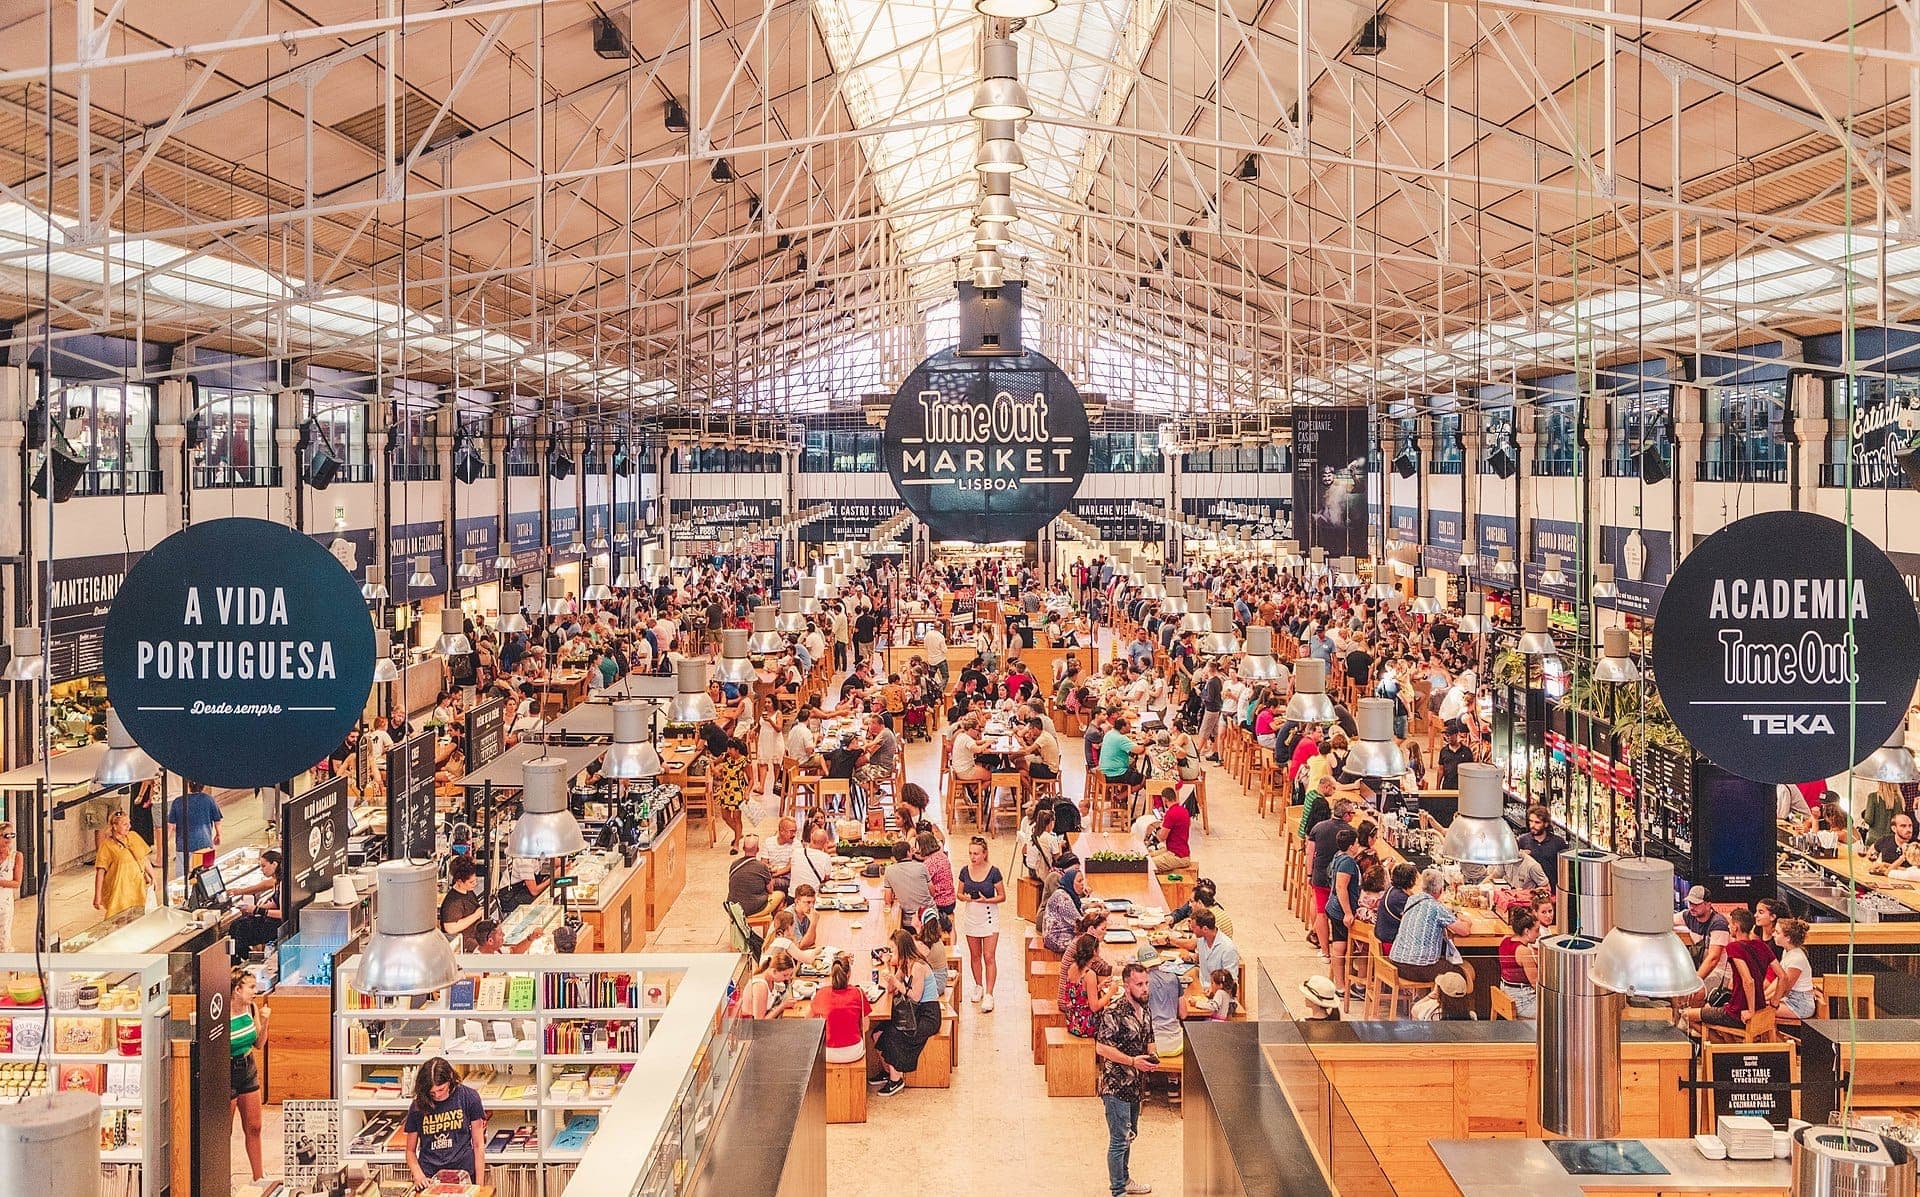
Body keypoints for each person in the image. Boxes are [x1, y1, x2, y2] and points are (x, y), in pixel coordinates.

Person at [1092, 964, 1158, 1197]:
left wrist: (1151, 1055)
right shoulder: (1114, 1013)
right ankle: (1117, 1190)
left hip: (1135, 1086)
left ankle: (1125, 1179)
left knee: (1130, 1135)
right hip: (1116, 1086)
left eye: (1146, 983)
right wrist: (1132, 1061)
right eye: (1139, 984)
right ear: (1127, 985)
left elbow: (1149, 1035)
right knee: (1119, 1140)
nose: (1145, 988)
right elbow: (1101, 1047)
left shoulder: (1144, 1008)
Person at [873, 929, 940, 1096]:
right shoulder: (904, 963)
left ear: (902, 948)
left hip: (927, 1014)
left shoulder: (917, 966)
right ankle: (889, 1072)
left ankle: (897, 1080)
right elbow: (890, 989)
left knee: (892, 1035)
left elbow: (916, 997)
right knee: (877, 1032)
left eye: (893, 949)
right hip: (913, 1012)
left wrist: (896, 981)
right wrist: (888, 965)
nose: (891, 952)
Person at [403, 1056, 488, 1188]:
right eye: (432, 1093)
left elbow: (478, 1145)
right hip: (430, 1176)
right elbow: (410, 1151)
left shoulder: (469, 1097)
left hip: (463, 1172)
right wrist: (419, 1176)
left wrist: (480, 1186)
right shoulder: (418, 1106)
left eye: (441, 1089)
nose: (437, 1095)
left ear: (450, 1078)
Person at [1688, 907, 1775, 1031]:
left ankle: (1718, 1049)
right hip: (1760, 1007)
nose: (1728, 928)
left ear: (1736, 927)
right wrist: (1774, 1003)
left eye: (1730, 925)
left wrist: (1751, 1011)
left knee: (1687, 1015)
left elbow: (1748, 981)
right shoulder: (1762, 945)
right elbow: (1783, 976)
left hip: (1735, 1012)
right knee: (1712, 1014)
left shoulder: (1734, 947)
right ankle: (1724, 1044)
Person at [1386, 868, 1469, 985]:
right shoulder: (1436, 907)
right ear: (1440, 890)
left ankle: (1425, 997)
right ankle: (1439, 1002)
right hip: (1417, 968)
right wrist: (1467, 920)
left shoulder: (1411, 900)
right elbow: (1464, 931)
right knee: (1459, 974)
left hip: (1396, 962)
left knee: (1442, 963)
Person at [228, 970, 269, 1182]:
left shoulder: (251, 1008)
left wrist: (264, 1021)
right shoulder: (221, 1014)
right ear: (237, 989)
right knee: (223, 1131)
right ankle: (220, 1178)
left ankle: (259, 1177)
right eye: (251, 987)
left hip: (248, 1068)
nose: (256, 991)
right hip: (226, 1071)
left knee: (254, 1126)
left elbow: (259, 1044)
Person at [957, 835, 1005, 1012]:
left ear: (984, 854)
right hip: (971, 916)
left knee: (989, 956)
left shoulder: (994, 871)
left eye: (976, 853)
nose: (973, 857)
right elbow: (959, 894)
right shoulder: (964, 871)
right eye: (970, 853)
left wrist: (988, 900)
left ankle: (990, 994)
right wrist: (966, 898)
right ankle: (978, 985)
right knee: (975, 955)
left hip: (989, 916)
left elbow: (1002, 896)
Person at [1323, 825, 1364, 1001]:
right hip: (1340, 909)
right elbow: (1341, 887)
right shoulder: (1347, 862)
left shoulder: (1338, 856)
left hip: (1332, 906)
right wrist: (1348, 913)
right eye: (1355, 843)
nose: (1357, 846)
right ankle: (1341, 985)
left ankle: (1341, 982)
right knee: (1340, 945)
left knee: (1339, 944)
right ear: (1350, 846)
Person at [93, 808, 154, 919]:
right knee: (117, 920)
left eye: (129, 823)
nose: (129, 826)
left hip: (137, 886)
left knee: (138, 917)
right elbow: (100, 871)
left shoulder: (134, 836)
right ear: (115, 827)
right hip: (119, 890)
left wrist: (152, 877)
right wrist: (97, 896)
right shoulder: (106, 846)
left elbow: (144, 858)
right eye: (125, 824)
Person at [811, 956, 872, 1063]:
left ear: (831, 974)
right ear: (849, 974)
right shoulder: (858, 993)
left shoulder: (821, 993)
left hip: (827, 1052)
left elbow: (809, 1022)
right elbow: (866, 1026)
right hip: (854, 1051)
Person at [1676, 885, 1732, 998]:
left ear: (1708, 904)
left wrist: (1695, 981)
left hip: (1721, 973)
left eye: (1696, 904)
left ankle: (1693, 1014)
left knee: (1693, 993)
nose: (1692, 907)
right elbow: (1665, 921)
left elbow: (1713, 959)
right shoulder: (1688, 915)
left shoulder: (1718, 923)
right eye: (1690, 903)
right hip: (1701, 969)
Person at [1060, 932, 1113, 1037]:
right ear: (1094, 951)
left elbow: (1079, 994)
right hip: (1085, 1026)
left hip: (1072, 1020)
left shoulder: (1073, 967)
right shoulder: (1090, 974)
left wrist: (1098, 987)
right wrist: (1111, 992)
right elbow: (1094, 1007)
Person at [168, 780, 224, 876]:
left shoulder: (178, 802)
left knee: (183, 876)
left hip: (183, 844)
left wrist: (165, 842)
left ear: (187, 786)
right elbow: (217, 821)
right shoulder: (209, 799)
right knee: (206, 874)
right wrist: (218, 835)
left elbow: (170, 825)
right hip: (204, 842)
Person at [1766, 918, 1817, 1022]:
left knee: (1760, 1011)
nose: (1773, 935)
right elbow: (1779, 980)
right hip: (1789, 1000)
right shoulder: (1787, 951)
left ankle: (1771, 1038)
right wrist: (1764, 995)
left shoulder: (1797, 959)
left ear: (1788, 938)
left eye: (1777, 932)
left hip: (1800, 1006)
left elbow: (1784, 988)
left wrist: (1768, 1001)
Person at [1184, 908, 1241, 997]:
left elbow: (1231, 982)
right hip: (1201, 987)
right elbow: (1200, 959)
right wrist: (1191, 958)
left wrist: (1214, 990)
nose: (1192, 930)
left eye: (1194, 928)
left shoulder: (1228, 948)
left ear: (1205, 929)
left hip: (1219, 995)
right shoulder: (1200, 939)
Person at [1498, 909, 1542, 1018]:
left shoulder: (1505, 940)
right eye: (1537, 930)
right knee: (1561, 1011)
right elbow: (1536, 984)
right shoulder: (1523, 951)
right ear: (1527, 931)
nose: (1539, 934)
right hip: (1523, 1003)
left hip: (1507, 994)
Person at [882, 839, 934, 928]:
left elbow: (887, 900)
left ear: (894, 857)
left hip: (909, 923)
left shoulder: (889, 870)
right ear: (908, 852)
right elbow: (932, 892)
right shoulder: (921, 867)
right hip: (930, 918)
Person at [726, 835, 778, 919]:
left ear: (743, 848)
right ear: (757, 849)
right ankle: (775, 927)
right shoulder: (761, 866)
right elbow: (770, 890)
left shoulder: (734, 864)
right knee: (781, 895)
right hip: (753, 909)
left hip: (734, 908)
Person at [438, 856, 485, 949]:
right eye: (471, 882)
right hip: (463, 946)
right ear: (459, 881)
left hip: (475, 938)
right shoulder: (453, 902)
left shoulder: (468, 891)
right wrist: (476, 915)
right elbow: (450, 928)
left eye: (475, 880)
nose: (475, 884)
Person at [738, 949, 801, 1018]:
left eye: (789, 975)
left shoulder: (771, 979)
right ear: (774, 971)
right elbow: (759, 1022)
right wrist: (782, 1006)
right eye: (785, 975)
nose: (787, 978)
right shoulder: (760, 986)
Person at [1150, 796, 1194, 874]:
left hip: (1176, 856)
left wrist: (1157, 827)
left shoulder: (1170, 814)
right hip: (1183, 852)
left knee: (1147, 863)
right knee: (1150, 855)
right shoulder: (1184, 811)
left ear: (1164, 799)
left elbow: (1162, 838)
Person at [1411, 970, 1476, 1021]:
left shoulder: (1431, 1010)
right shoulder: (1472, 1016)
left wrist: (1430, 995)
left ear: (1440, 992)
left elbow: (1414, 1010)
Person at [0, 821, 20, 953]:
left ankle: (11, 969)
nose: (9, 839)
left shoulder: (16, 856)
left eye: (12, 835)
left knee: (4, 937)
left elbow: (17, 883)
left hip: (4, 902)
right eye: (6, 836)